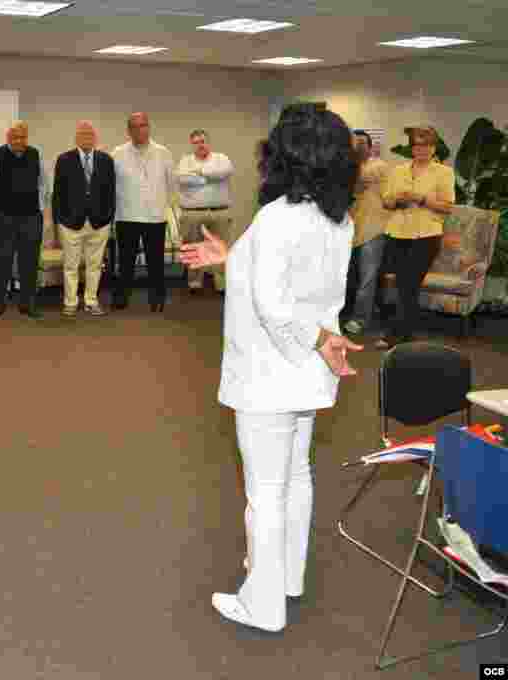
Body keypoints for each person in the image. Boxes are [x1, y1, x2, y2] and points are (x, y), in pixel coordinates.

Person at [180, 103, 363, 632]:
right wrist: (231, 258)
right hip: (307, 374)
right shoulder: (337, 218)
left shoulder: (278, 215)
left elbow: (274, 305)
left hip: (271, 371)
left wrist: (320, 338)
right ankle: (286, 577)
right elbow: (296, 281)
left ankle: (263, 605)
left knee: (264, 490)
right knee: (296, 475)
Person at [376, 126, 454, 349]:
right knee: (403, 285)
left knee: (409, 282)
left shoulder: (443, 172)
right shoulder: (397, 170)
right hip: (398, 232)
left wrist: (420, 198)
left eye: (426, 145)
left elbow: (447, 207)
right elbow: (386, 202)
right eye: (417, 145)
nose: (421, 149)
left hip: (426, 234)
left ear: (433, 148)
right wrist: (399, 199)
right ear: (412, 148)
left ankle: (395, 333)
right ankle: (406, 334)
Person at [112, 113, 175, 312]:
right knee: (126, 262)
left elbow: (171, 183)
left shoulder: (163, 152)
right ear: (129, 131)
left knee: (155, 262)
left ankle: (157, 298)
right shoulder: (117, 153)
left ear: (149, 127)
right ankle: (121, 298)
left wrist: (164, 207)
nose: (140, 130)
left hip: (155, 217)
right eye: (135, 127)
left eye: (143, 125)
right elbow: (110, 185)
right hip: (126, 215)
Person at [51, 120, 115, 317]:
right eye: (83, 134)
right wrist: (59, 220)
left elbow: (111, 192)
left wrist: (108, 217)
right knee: (71, 265)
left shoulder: (106, 160)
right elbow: (58, 194)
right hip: (71, 223)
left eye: (90, 134)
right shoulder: (64, 159)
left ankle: (91, 300)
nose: (87, 138)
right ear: (76, 138)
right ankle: (70, 302)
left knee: (95, 265)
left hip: (99, 222)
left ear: (95, 138)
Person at [0, 121, 46, 320]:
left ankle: (28, 303)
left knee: (29, 262)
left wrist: (41, 209)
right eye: (15, 137)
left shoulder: (36, 154)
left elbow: (44, 183)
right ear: (8, 138)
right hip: (3, 217)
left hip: (31, 217)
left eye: (23, 137)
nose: (19, 141)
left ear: (27, 137)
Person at [343, 130, 391, 336]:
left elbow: (358, 181)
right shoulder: (350, 167)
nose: (358, 146)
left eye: (362, 143)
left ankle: (360, 319)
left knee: (367, 278)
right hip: (352, 229)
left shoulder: (378, 166)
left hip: (374, 229)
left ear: (370, 147)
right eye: (355, 143)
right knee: (351, 277)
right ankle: (352, 313)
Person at [176, 129, 235, 294]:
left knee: (220, 248)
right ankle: (194, 282)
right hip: (192, 213)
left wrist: (199, 173)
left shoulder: (221, 158)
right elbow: (182, 179)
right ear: (191, 145)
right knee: (193, 248)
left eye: (202, 141)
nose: (200, 145)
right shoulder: (185, 160)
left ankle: (221, 283)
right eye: (196, 142)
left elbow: (224, 172)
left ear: (208, 142)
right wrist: (210, 177)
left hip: (219, 212)